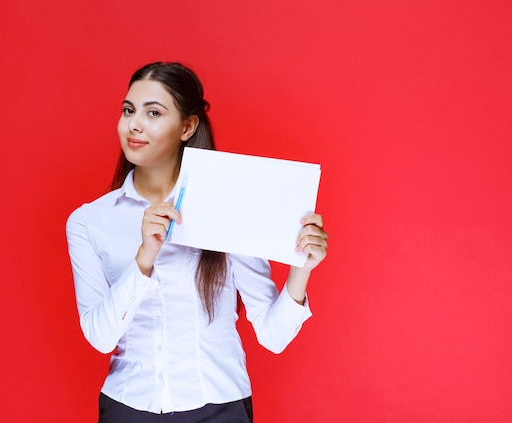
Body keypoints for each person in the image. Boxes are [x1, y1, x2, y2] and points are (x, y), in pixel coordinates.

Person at [66, 62, 328, 423]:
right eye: (128, 110)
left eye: (153, 112)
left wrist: (301, 268)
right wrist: (145, 257)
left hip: (219, 408)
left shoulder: (229, 208)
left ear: (187, 126)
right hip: (128, 408)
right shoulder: (89, 221)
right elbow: (100, 338)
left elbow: (273, 336)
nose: (134, 124)